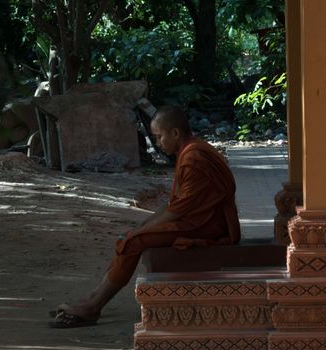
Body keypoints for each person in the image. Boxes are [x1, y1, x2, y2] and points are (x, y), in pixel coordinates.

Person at [49, 105, 240, 328]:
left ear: (175, 133)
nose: (158, 144)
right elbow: (174, 203)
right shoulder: (190, 151)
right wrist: (142, 225)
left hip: (209, 225)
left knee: (134, 241)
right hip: (197, 219)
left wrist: (140, 232)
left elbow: (177, 210)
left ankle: (93, 307)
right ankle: (92, 297)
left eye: (159, 137)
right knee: (131, 236)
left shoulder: (194, 157)